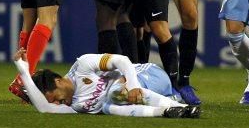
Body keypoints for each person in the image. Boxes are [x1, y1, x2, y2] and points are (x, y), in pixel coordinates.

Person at [13, 48, 200, 118]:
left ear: (58, 81)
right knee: (109, 108)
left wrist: (133, 85)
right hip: (139, 97)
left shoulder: (83, 66)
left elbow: (122, 61)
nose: (55, 103)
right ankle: (168, 110)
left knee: (115, 93)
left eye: (53, 98)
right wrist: (23, 72)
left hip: (148, 74)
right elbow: (45, 109)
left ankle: (182, 106)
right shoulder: (76, 106)